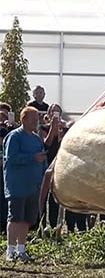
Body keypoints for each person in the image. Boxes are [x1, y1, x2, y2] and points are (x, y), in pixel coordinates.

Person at [3, 107, 48, 262]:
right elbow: (11, 158)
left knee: (26, 219)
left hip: (32, 186)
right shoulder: (14, 136)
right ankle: (10, 250)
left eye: (37, 119)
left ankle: (21, 250)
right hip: (17, 185)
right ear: (23, 119)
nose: (36, 122)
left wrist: (44, 174)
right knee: (15, 218)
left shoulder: (36, 139)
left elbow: (42, 158)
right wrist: (32, 157)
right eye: (33, 119)